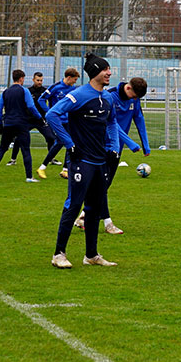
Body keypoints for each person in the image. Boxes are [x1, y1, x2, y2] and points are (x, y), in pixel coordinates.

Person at [46, 53, 119, 269]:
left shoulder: (107, 98)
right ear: (96, 71)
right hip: (81, 160)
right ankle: (58, 254)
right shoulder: (79, 95)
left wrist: (113, 147)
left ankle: (91, 255)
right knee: (73, 205)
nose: (109, 73)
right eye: (106, 69)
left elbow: (113, 123)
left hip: (99, 162)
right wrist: (69, 144)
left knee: (94, 209)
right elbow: (52, 115)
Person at [74, 77, 149, 234]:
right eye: (134, 96)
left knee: (103, 186)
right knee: (102, 186)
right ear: (128, 88)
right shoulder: (110, 96)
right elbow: (113, 124)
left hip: (117, 149)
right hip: (102, 146)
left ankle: (83, 216)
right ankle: (107, 223)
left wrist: (145, 144)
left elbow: (139, 119)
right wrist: (130, 142)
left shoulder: (134, 100)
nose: (134, 100)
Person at [0, 69, 43, 183]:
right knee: (25, 149)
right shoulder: (24, 91)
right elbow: (31, 106)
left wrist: (0, 124)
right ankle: (29, 177)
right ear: (21, 79)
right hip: (21, 123)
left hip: (9, 123)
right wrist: (39, 117)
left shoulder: (6, 92)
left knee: (2, 148)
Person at [36, 67, 80, 179]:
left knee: (71, 143)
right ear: (69, 78)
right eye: (74, 79)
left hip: (68, 120)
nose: (75, 82)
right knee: (60, 142)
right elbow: (41, 99)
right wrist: (50, 113)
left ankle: (65, 170)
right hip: (57, 121)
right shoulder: (55, 87)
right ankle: (42, 167)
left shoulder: (72, 88)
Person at [6, 71, 55, 166]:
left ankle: (51, 158)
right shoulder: (27, 91)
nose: (40, 82)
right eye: (38, 80)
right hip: (28, 120)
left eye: (41, 80)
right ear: (33, 80)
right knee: (18, 138)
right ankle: (13, 159)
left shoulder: (45, 92)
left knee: (51, 138)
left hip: (41, 120)